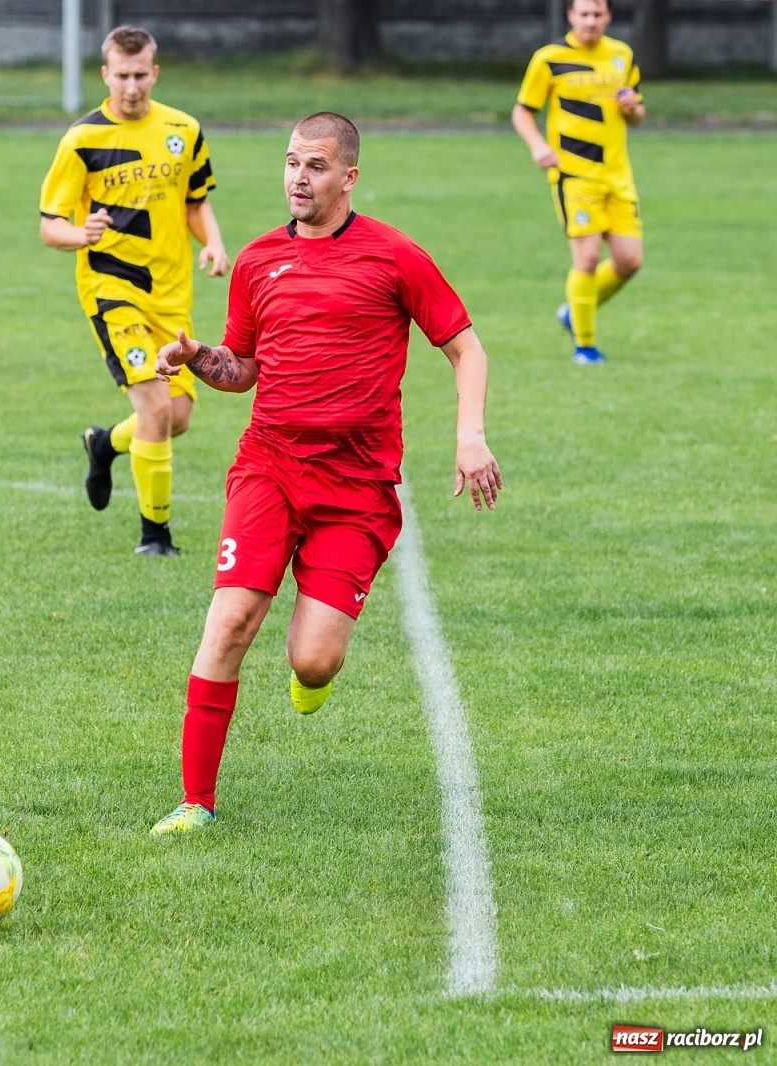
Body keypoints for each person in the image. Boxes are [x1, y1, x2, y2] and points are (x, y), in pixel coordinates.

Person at [147, 113, 502, 835]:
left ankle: (309, 674)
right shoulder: (254, 262)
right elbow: (244, 368)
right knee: (231, 620)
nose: (297, 179)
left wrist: (470, 437)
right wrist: (199, 358)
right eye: (289, 164)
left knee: (312, 662)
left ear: (348, 177)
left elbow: (467, 349)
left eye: (314, 166)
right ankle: (196, 803)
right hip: (269, 466)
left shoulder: (395, 257)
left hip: (357, 489)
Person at [38, 26, 229, 557]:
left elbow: (195, 201)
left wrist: (212, 242)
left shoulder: (183, 130)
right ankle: (155, 537)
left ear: (155, 72)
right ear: (105, 74)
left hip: (172, 294)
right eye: (121, 75)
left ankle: (103, 445)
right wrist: (82, 234)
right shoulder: (82, 139)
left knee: (178, 416)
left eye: (140, 74)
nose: (131, 86)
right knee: (154, 408)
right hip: (112, 290)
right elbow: (50, 224)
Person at [512, 0, 644, 364]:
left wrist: (633, 109)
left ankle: (573, 311)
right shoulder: (549, 58)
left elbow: (637, 113)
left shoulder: (622, 55)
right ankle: (585, 347)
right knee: (587, 259)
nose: (591, 21)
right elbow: (522, 111)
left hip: (617, 176)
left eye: (597, 14)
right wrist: (538, 146)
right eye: (583, 14)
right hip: (574, 175)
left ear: (608, 17)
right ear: (570, 16)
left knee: (629, 261)